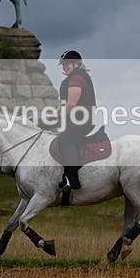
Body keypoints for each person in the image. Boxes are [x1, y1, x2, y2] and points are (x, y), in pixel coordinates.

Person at [57, 50, 96, 190]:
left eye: (67, 64)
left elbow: (71, 104)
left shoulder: (76, 79)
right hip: (77, 118)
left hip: (83, 118)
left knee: (67, 138)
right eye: (63, 65)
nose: (64, 67)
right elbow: (63, 105)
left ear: (77, 64)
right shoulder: (69, 80)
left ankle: (71, 179)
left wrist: (59, 117)